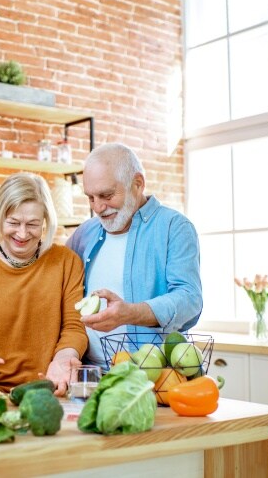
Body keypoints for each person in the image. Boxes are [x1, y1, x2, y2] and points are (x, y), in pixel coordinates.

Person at [0, 172, 88, 396]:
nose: (22, 233)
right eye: (13, 222)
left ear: (45, 222)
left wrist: (63, 359)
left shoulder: (66, 263)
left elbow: (74, 327)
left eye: (32, 224)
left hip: (47, 386)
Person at [66, 143, 202, 370]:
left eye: (106, 195)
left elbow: (189, 299)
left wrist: (130, 313)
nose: (98, 207)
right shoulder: (84, 234)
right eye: (90, 198)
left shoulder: (174, 227)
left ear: (137, 184)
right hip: (89, 373)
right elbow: (53, 277)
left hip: (152, 376)